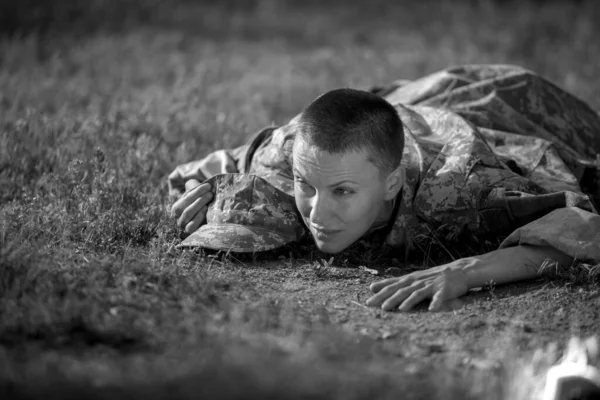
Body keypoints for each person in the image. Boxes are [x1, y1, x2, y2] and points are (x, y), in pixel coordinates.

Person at [169, 64, 600, 312]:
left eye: (341, 192)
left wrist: (467, 270)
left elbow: (582, 227)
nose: (316, 215)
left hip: (510, 106)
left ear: (392, 183)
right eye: (307, 187)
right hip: (403, 104)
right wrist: (213, 190)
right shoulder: (291, 150)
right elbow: (232, 161)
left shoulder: (464, 189)